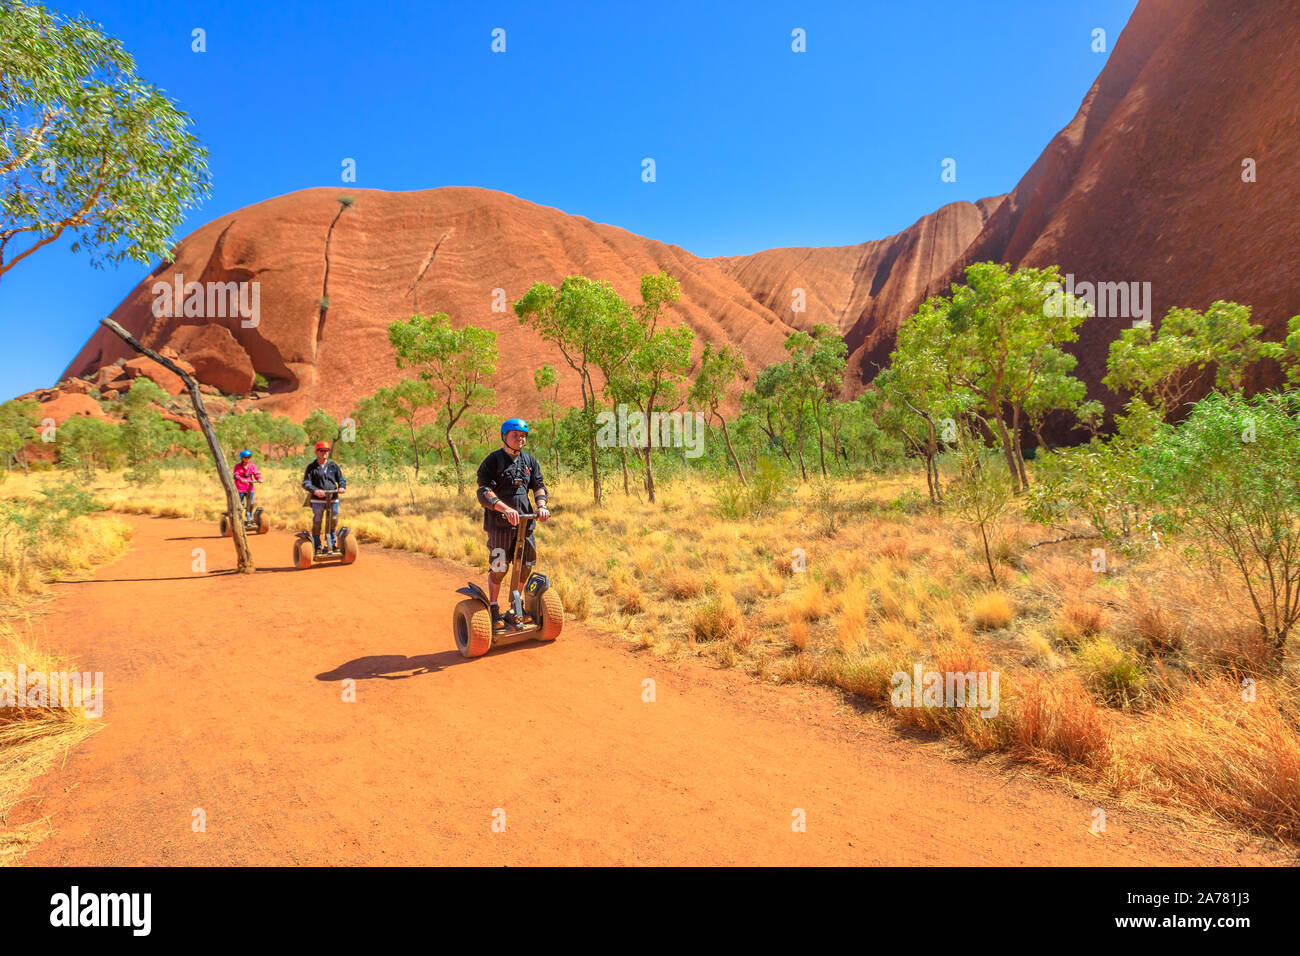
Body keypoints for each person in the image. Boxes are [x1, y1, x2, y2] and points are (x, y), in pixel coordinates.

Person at [476, 418, 549, 628]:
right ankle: (493, 608)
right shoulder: (493, 460)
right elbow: (484, 491)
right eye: (516, 435)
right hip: (499, 525)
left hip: (525, 524)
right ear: (505, 436)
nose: (520, 439)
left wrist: (541, 506)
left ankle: (515, 607)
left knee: (525, 566)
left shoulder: (530, 461)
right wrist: (505, 508)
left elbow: (539, 485)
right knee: (499, 568)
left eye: (523, 435)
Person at [302, 440, 346, 554]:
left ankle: (331, 544)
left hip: (332, 497)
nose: (324, 453)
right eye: (321, 451)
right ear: (316, 452)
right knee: (317, 521)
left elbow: (341, 479)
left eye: (326, 451)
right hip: (317, 499)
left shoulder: (333, 466)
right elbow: (306, 483)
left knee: (333, 520)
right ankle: (317, 546)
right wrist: (315, 490)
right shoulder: (311, 467)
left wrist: (341, 486)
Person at [232, 450, 262, 522]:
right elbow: (236, 475)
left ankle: (249, 517)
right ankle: (239, 519)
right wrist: (241, 479)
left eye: (249, 457)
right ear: (242, 458)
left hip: (249, 488)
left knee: (250, 504)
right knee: (240, 504)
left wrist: (259, 479)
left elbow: (256, 474)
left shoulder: (252, 465)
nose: (247, 459)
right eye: (246, 457)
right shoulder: (237, 466)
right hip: (240, 488)